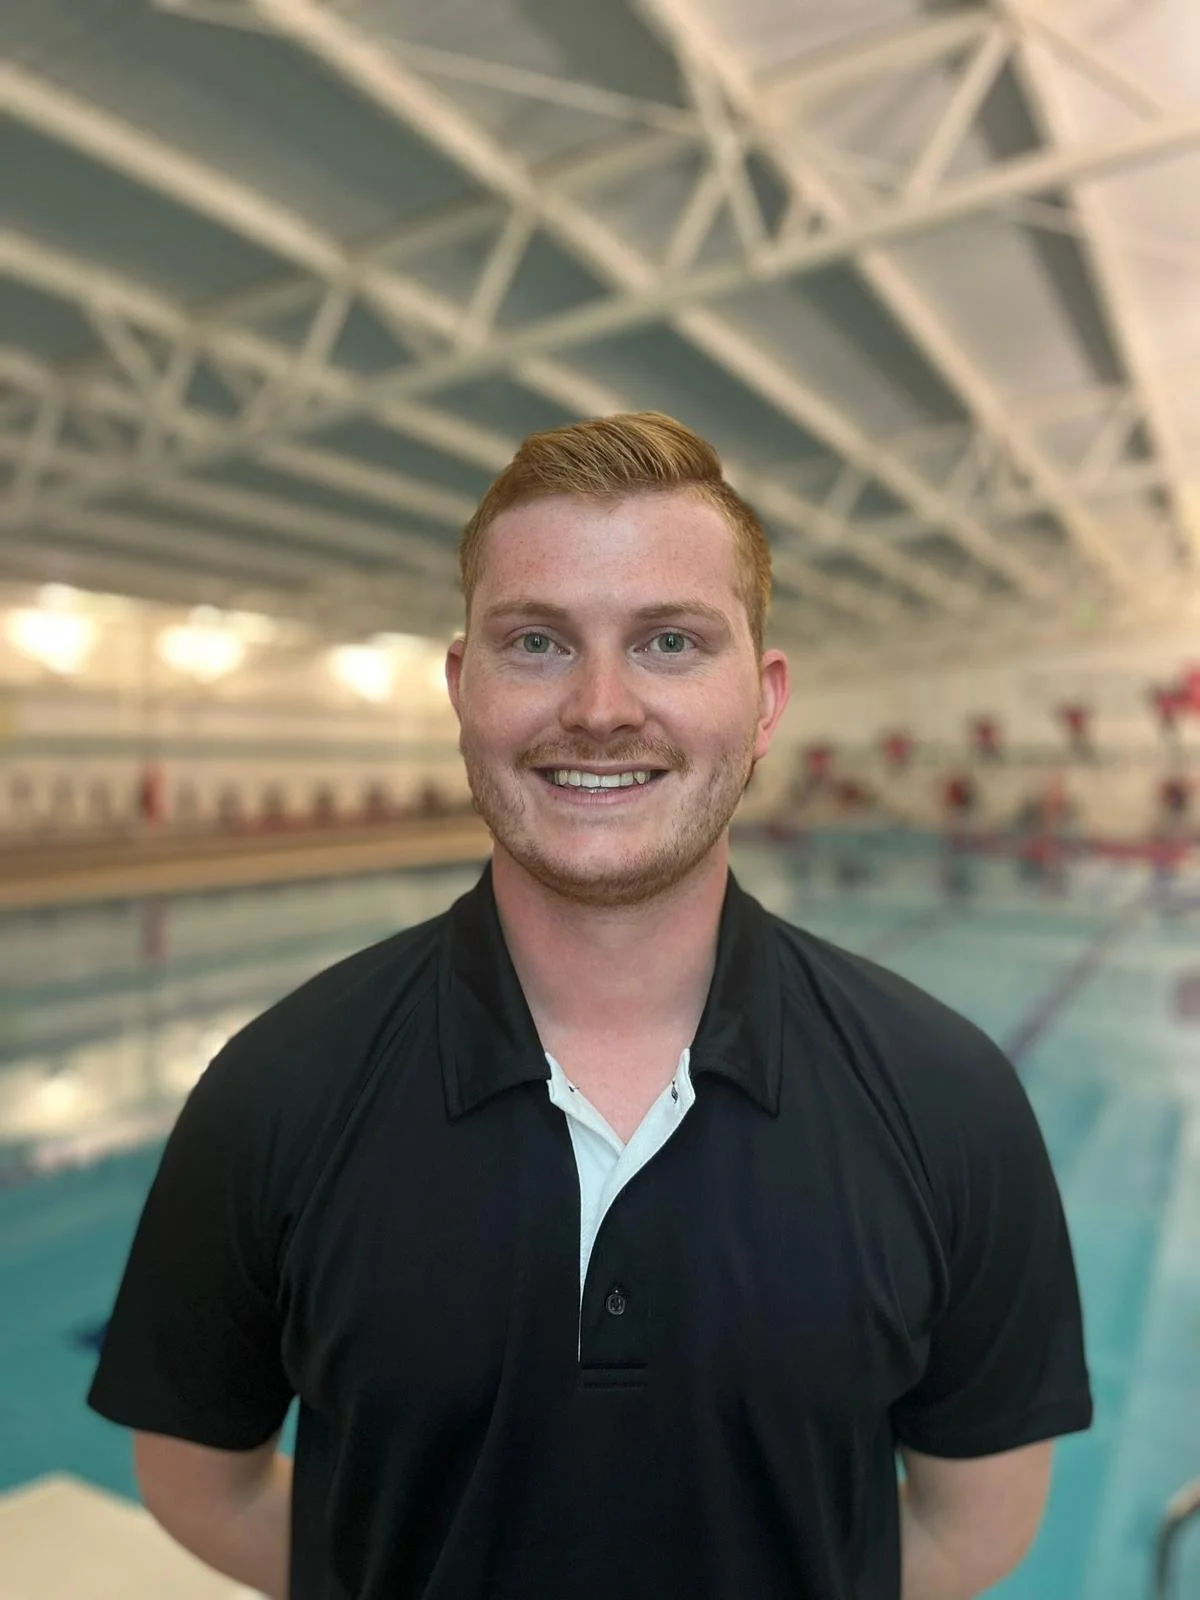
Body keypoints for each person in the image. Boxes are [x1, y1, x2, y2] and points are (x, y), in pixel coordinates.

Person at [88, 413, 1093, 1600]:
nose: (602, 706)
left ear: (764, 702)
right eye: (536, 643)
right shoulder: (277, 1090)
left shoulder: (949, 1098)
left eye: (670, 640)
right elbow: (203, 1482)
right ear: (463, 688)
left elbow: (978, 1522)